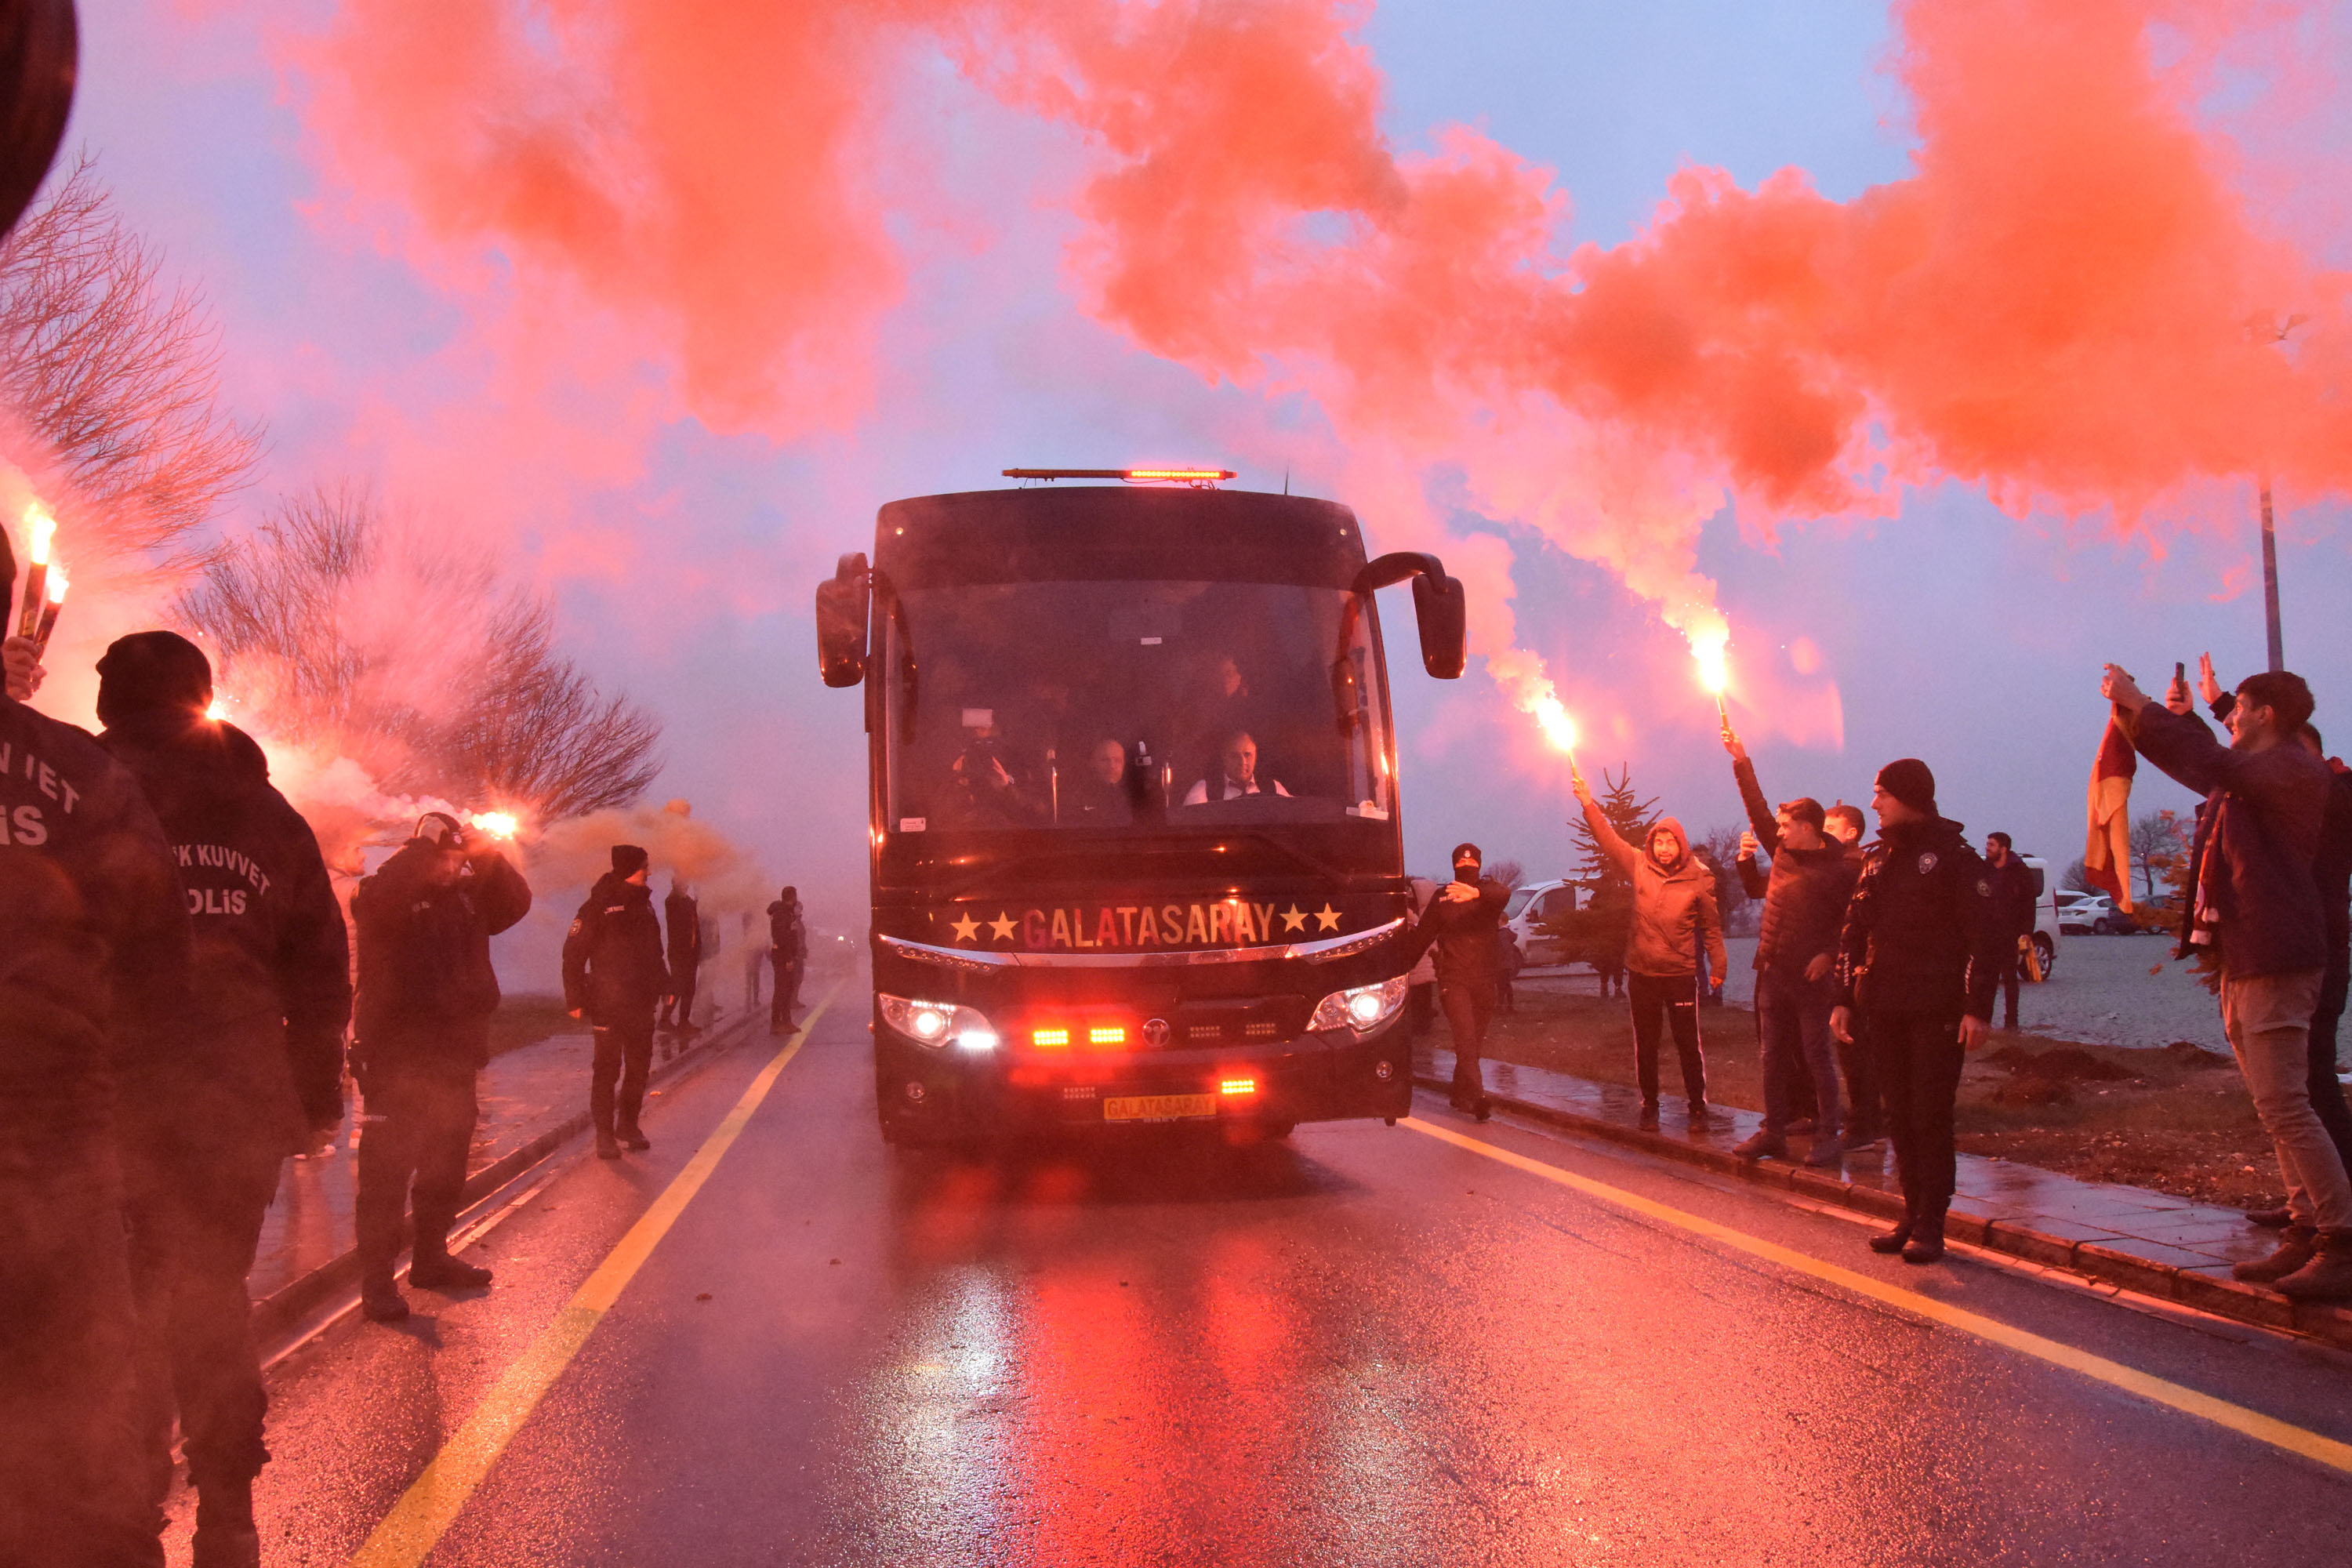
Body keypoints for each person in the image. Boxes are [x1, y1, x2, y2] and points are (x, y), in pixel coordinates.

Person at [93, 633, 351, 1566]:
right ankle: (229, 1510)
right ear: (202, 697)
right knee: (207, 1293)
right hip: (236, 1099)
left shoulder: (80, 789)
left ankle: (124, 1509)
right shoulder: (270, 814)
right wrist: (317, 1094)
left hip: (104, 1094)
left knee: (106, 1307)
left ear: (112, 703)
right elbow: (323, 969)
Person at [2, 611, 193, 1567]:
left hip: (60, 1143)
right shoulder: (78, 770)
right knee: (80, 1435)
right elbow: (158, 958)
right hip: (59, 1147)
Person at [2110, 662, 2352, 1299]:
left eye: (2239, 706)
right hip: (2249, 952)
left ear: (2267, 714)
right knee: (2276, 1109)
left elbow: (2218, 764)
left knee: (2288, 1106)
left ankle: (2342, 1240)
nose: (2233, 715)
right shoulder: (2254, 776)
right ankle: (2304, 1232)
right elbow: (2204, 763)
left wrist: (2143, 705)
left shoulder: (2294, 770)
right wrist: (2146, 716)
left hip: (2279, 955)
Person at [350, 811, 532, 1323]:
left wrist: (488, 852)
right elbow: (379, 901)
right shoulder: (388, 890)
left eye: (460, 860)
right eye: (448, 859)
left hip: (454, 1051)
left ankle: (430, 1259)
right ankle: (376, 1282)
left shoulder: (467, 899)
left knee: (445, 1166)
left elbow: (515, 902)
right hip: (396, 1054)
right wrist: (422, 849)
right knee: (386, 1173)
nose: (456, 868)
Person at [2195, 658, 2352, 1227]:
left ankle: (2339, 1224)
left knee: (2300, 1094)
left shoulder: (2321, 793)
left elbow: (2238, 766)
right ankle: (2308, 1212)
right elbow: (2236, 762)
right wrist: (2214, 708)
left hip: (2302, 953)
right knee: (2285, 1097)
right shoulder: (2280, 780)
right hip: (2264, 948)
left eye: (2242, 711)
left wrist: (2157, 715)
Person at [1831, 758, 2005, 1263]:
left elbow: (1985, 941)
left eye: (1881, 792)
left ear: (1907, 795)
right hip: (1882, 1006)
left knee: (1929, 1114)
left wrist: (1978, 1009)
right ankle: (1910, 1212)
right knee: (1897, 1114)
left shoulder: (1953, 858)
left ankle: (1933, 1222)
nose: (1874, 803)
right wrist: (1843, 999)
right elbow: (1852, 930)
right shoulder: (1877, 857)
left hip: (1937, 1008)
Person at [1723, 724, 1860, 1167]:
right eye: (1778, 827)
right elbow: (1757, 807)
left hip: (1810, 977)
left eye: (1786, 826)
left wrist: (1828, 953)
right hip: (1773, 971)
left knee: (1816, 1054)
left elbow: (1852, 921)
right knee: (1772, 1056)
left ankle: (1829, 1133)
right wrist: (1740, 758)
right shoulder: (1782, 852)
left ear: (1808, 827)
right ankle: (1773, 1132)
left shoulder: (1840, 868)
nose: (1777, 833)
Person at [1574, 767, 1728, 1131]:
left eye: (1669, 842)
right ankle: (1650, 1102)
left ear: (1680, 845)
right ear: (1651, 844)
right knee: (1646, 1042)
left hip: (1679, 974)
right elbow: (1609, 839)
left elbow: (1712, 929)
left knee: (1687, 1042)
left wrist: (1719, 966)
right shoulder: (1639, 865)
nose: (1662, 849)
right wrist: (1588, 804)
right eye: (1657, 842)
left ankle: (1696, 1103)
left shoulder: (1699, 878)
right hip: (1642, 972)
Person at [564, 846, 670, 1160]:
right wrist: (574, 998)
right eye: (644, 867)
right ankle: (605, 1137)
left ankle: (628, 1126)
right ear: (629, 870)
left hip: (641, 1003)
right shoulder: (596, 907)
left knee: (638, 1069)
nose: (649, 872)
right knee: (607, 1070)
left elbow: (655, 953)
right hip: (607, 1003)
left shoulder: (646, 907)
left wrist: (666, 984)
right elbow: (573, 954)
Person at [1403, 843, 1511, 1119]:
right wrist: (1396, 970)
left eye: (1472, 866)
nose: (1467, 870)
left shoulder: (1486, 897)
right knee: (1465, 1038)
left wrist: (1476, 892)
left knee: (1473, 1043)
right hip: (1454, 980)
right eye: (1462, 867)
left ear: (1479, 866)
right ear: (1454, 867)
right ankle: (1477, 1098)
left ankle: (1460, 1094)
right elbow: (1420, 940)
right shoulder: (1442, 899)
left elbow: (1503, 893)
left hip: (1485, 980)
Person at [1819, 801, 1882, 1145]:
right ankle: (1866, 1116)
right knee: (1848, 1041)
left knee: (1857, 1043)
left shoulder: (1861, 867)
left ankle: (1866, 1120)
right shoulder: (1831, 865)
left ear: (1851, 833)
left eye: (1830, 829)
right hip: (1841, 961)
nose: (1823, 835)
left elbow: (1855, 923)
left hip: (1859, 964)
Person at [1983, 832, 2038, 1030]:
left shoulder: (2019, 871)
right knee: (1985, 978)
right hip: (1989, 933)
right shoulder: (1985, 869)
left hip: (2010, 933)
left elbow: (2028, 903)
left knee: (2009, 978)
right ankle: (1983, 1019)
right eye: (1987, 844)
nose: (1987, 848)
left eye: (1991, 844)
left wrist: (2026, 932)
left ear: (2003, 848)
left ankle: (2011, 1021)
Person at [1182, 730, 1291, 804]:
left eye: (1247, 755)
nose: (1242, 762)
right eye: (1235, 756)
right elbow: (1189, 828)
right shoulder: (1205, 789)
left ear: (1256, 755)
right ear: (1224, 758)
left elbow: (1294, 816)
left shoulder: (1273, 788)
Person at [659, 877, 702, 1036]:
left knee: (690, 988)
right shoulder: (672, 901)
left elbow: (694, 921)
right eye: (683, 884)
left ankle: (684, 1021)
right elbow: (678, 909)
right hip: (679, 952)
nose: (686, 886)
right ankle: (664, 1020)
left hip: (691, 952)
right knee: (677, 987)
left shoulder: (688, 902)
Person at [1072, 737, 1138, 824]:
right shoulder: (1079, 797)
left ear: (1124, 764)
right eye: (1105, 760)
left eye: (1117, 760)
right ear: (1093, 763)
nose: (1112, 766)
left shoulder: (1137, 796)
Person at [769, 885, 808, 1033]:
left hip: (785, 955)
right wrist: (788, 959)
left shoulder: (786, 913)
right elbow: (782, 938)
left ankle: (785, 1021)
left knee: (785, 990)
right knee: (781, 991)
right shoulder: (782, 914)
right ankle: (778, 1023)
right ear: (792, 897)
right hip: (782, 957)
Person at [1497, 924, 1524, 1014]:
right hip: (1508, 964)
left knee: (1501, 986)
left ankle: (1500, 1006)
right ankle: (1509, 1005)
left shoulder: (1501, 934)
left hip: (1501, 964)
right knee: (1507, 985)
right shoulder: (1509, 934)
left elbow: (1502, 950)